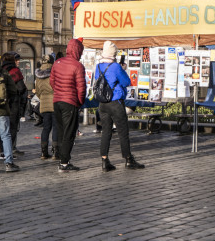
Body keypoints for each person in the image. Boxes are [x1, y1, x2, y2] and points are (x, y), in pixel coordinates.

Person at [94, 41, 145, 172]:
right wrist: (122, 70)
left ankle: (104, 160)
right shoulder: (116, 67)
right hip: (115, 103)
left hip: (102, 104)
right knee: (123, 132)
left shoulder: (98, 66)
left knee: (106, 132)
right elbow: (126, 82)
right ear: (113, 54)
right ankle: (128, 159)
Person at [50, 38, 87, 172]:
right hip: (70, 102)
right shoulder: (78, 66)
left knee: (61, 131)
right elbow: (81, 88)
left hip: (57, 101)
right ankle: (64, 163)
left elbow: (52, 82)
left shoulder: (57, 63)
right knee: (69, 133)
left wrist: (59, 92)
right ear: (78, 50)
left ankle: (62, 158)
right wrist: (79, 102)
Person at [0, 52, 27, 156]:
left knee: (2, 127)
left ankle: (3, 149)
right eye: (16, 60)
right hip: (13, 102)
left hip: (1, 101)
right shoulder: (15, 70)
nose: (18, 61)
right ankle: (10, 150)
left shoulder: (0, 70)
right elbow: (21, 87)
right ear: (12, 60)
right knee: (12, 126)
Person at [35, 55, 57, 160]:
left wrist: (43, 98)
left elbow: (38, 91)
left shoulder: (38, 74)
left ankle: (44, 153)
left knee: (46, 127)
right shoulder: (54, 72)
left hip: (44, 102)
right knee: (56, 127)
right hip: (54, 101)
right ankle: (56, 152)